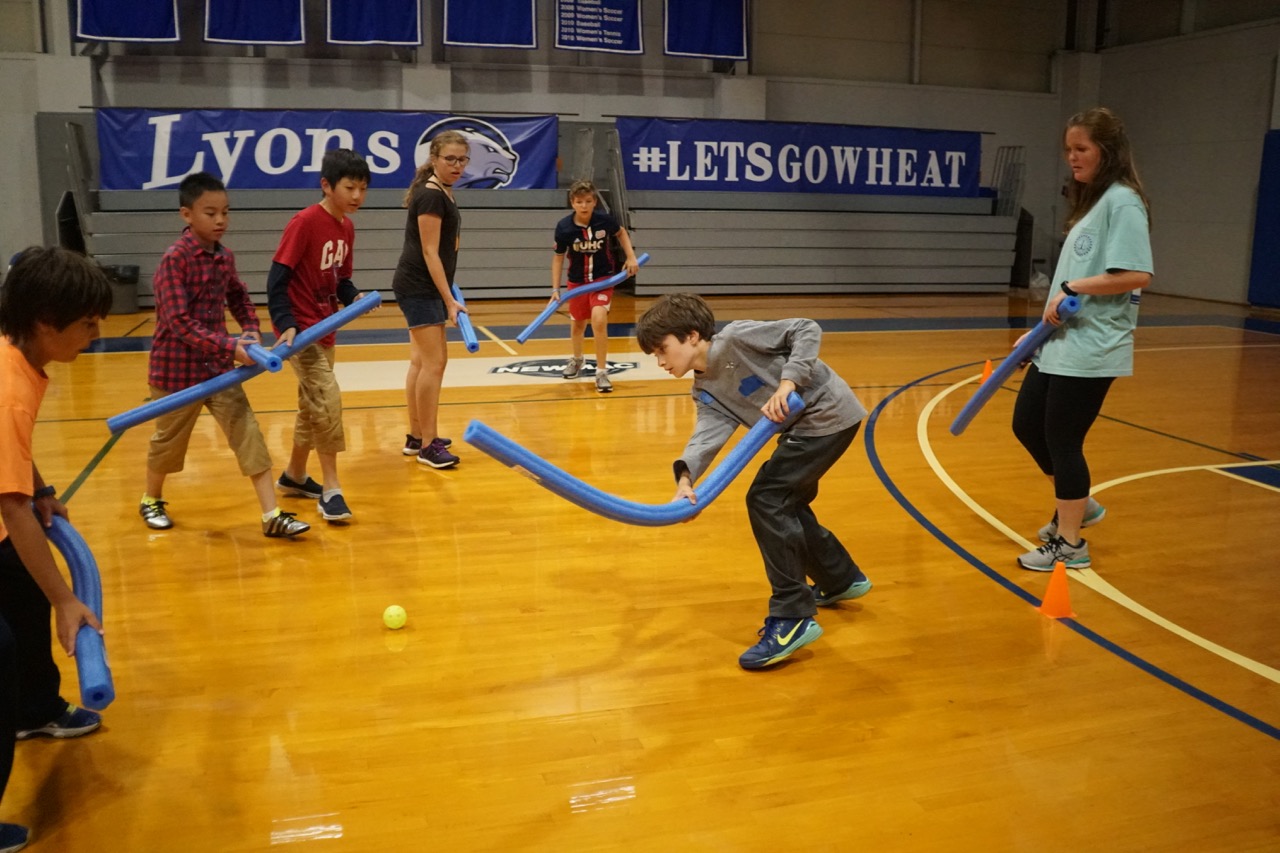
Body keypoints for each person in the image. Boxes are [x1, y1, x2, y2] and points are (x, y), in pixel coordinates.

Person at [635, 293, 872, 670]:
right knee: (785, 501)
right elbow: (706, 436)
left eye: (663, 350)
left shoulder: (736, 339)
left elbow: (805, 328)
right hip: (804, 430)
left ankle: (792, 618)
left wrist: (788, 383)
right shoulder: (704, 388)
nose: (660, 362)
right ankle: (840, 578)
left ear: (692, 336)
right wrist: (685, 479)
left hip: (826, 416)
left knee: (767, 498)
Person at [0, 247, 115, 850]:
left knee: (21, 593)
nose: (97, 335)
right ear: (47, 322)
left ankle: (34, 708)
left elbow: (16, 477)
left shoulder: (21, 360)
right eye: (89, 324)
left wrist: (40, 486)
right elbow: (11, 511)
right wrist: (68, 599)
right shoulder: (9, 386)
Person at [1011, 107, 1153, 571]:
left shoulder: (1123, 202)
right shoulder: (1093, 201)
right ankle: (1081, 504)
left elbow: (1136, 274)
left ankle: (1070, 544)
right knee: (1027, 425)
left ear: (1106, 151)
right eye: (1068, 149)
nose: (1072, 157)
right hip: (1058, 342)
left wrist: (1076, 288)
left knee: (1063, 439)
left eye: (1081, 149)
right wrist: (1032, 338)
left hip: (1093, 346)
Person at [139, 172, 310, 539]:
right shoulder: (175, 260)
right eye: (210, 213)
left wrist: (249, 328)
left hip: (217, 371)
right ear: (187, 215)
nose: (220, 221)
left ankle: (271, 515)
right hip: (175, 374)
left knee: (248, 434)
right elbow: (179, 323)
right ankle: (151, 498)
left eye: (225, 213)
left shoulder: (225, 257)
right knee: (167, 443)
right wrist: (231, 347)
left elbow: (239, 296)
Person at [267, 148, 371, 522]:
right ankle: (331, 488)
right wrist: (286, 322)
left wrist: (354, 297)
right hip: (301, 332)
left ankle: (295, 475)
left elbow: (340, 279)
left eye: (362, 188)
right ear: (327, 186)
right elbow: (276, 279)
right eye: (350, 188)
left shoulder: (347, 227)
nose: (357, 196)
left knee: (311, 405)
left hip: (326, 329)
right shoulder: (305, 222)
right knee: (327, 398)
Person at [392, 131, 469, 469]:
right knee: (435, 364)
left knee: (421, 363)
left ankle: (416, 435)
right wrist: (449, 299)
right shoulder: (431, 196)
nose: (456, 165)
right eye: (449, 159)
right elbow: (429, 251)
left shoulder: (442, 193)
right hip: (419, 286)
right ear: (435, 159)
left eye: (462, 159)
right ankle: (428, 445)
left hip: (423, 285)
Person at [550, 180, 639, 393]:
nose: (584, 206)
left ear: (594, 202)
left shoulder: (604, 221)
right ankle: (577, 359)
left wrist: (631, 257)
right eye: (579, 202)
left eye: (588, 201)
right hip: (577, 282)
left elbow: (621, 232)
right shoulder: (564, 227)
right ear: (572, 203)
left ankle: (601, 372)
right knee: (578, 325)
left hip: (602, 280)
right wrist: (555, 289)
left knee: (599, 319)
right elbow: (558, 258)